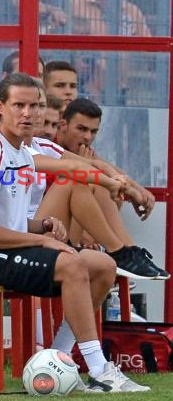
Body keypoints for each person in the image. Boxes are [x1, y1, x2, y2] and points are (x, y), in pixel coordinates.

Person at [0, 71, 149, 392]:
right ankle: (100, 370)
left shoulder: (23, 151)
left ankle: (59, 359)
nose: (28, 114)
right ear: (0, 107)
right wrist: (41, 239)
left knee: (103, 267)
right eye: (19, 106)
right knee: (71, 263)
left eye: (36, 106)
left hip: (2, 248)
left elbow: (76, 168)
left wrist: (40, 225)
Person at [55, 98, 169, 279]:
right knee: (85, 179)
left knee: (97, 181)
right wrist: (131, 191)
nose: (87, 137)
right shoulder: (43, 146)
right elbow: (89, 170)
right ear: (63, 125)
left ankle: (128, 251)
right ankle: (121, 252)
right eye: (81, 129)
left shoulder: (78, 151)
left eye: (93, 132)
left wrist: (137, 190)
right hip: (45, 229)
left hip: (64, 230)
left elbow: (103, 166)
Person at [71, 0, 151, 103]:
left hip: (119, 91)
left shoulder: (132, 11)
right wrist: (75, 59)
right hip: (83, 90)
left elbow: (149, 52)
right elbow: (56, 48)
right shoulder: (75, 5)